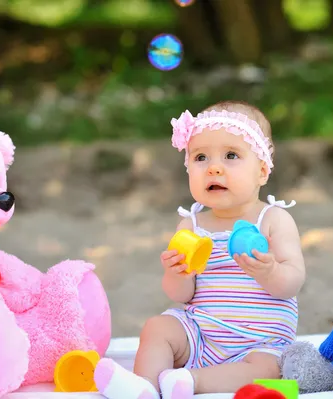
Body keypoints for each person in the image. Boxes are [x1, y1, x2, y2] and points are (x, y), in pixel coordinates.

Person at [94, 101, 306, 399]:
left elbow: (292, 282)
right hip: (200, 334)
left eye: (231, 155)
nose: (214, 167)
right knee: (158, 328)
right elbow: (181, 295)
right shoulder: (191, 224)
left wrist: (270, 271)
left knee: (273, 369)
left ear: (261, 171)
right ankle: (145, 385)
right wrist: (176, 273)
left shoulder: (272, 219)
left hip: (258, 343)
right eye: (201, 157)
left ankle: (190, 381)